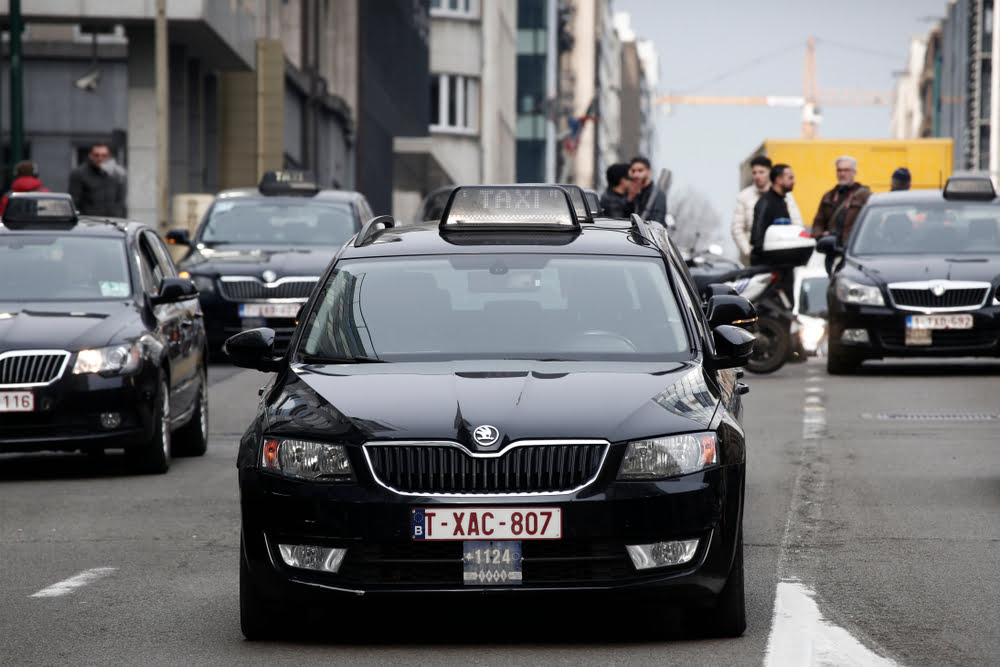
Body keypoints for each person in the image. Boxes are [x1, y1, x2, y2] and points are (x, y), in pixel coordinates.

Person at [731, 155, 804, 266]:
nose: (757, 176)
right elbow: (738, 229)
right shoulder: (746, 197)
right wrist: (748, 251)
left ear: (770, 173)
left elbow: (797, 223)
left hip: (782, 253)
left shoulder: (785, 196)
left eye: (761, 172)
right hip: (760, 256)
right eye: (754, 173)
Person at [812, 155, 871, 273]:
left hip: (855, 253)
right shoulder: (828, 196)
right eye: (839, 170)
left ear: (854, 172)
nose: (842, 174)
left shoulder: (865, 196)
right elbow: (818, 223)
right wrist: (821, 236)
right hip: (832, 252)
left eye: (846, 170)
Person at [68, 142, 127, 217]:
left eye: (104, 156)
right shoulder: (79, 174)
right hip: (89, 223)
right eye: (96, 155)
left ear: (109, 156)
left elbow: (120, 200)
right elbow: (74, 202)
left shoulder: (115, 174)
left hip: (112, 222)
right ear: (90, 156)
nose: (100, 158)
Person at [627, 156, 667, 225]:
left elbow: (656, 223)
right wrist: (630, 200)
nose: (636, 175)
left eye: (640, 171)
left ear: (649, 172)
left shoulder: (656, 195)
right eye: (633, 171)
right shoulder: (635, 193)